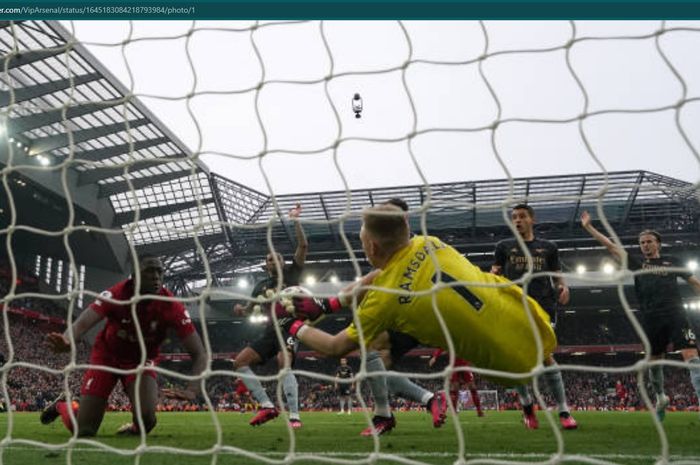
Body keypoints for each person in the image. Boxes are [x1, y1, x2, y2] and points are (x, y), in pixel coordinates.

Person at [277, 204, 557, 435]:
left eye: (362, 244)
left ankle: (396, 409)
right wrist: (333, 302)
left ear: (372, 247)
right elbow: (382, 274)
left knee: (369, 352)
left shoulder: (384, 299)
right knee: (378, 355)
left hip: (510, 364)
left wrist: (291, 325)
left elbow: (335, 346)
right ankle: (392, 410)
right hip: (531, 318)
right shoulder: (429, 241)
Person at [40, 254, 207, 437]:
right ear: (134, 275)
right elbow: (82, 323)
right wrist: (67, 339)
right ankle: (62, 405)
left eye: (159, 271)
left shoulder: (172, 307)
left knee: (147, 422)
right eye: (149, 271)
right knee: (84, 430)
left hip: (142, 361)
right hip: (107, 357)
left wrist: (192, 389)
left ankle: (133, 428)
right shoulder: (116, 294)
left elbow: (199, 353)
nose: (156, 276)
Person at [581, 210, 700, 420]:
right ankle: (661, 397)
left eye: (649, 241)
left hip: (676, 315)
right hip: (651, 318)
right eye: (642, 242)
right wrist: (589, 227)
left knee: (691, 356)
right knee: (655, 362)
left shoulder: (672, 261)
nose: (645, 245)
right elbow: (611, 246)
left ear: (658, 244)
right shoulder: (637, 265)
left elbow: (695, 283)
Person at [491, 204, 577, 430]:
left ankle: (564, 410)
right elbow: (495, 272)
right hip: (512, 306)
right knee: (518, 361)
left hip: (542, 306)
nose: (517, 220)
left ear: (532, 219)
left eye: (521, 216)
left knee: (547, 356)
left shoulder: (548, 247)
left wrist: (563, 287)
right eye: (514, 217)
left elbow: (557, 276)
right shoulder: (503, 246)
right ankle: (527, 406)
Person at [231, 203, 308, 429]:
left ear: (284, 262)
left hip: (291, 328)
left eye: (277, 258)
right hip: (270, 332)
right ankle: (266, 405)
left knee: (284, 364)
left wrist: (295, 221)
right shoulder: (261, 286)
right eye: (269, 259)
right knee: (239, 362)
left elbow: (303, 245)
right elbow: (249, 308)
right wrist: (241, 310)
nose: (273, 261)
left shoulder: (292, 274)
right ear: (266, 265)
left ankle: (294, 416)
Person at [428, 348, 483, 417]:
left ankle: (479, 411)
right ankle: (454, 411)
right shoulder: (450, 340)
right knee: (454, 388)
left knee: (473, 387)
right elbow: (441, 348)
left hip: (464, 365)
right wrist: (435, 357)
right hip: (454, 366)